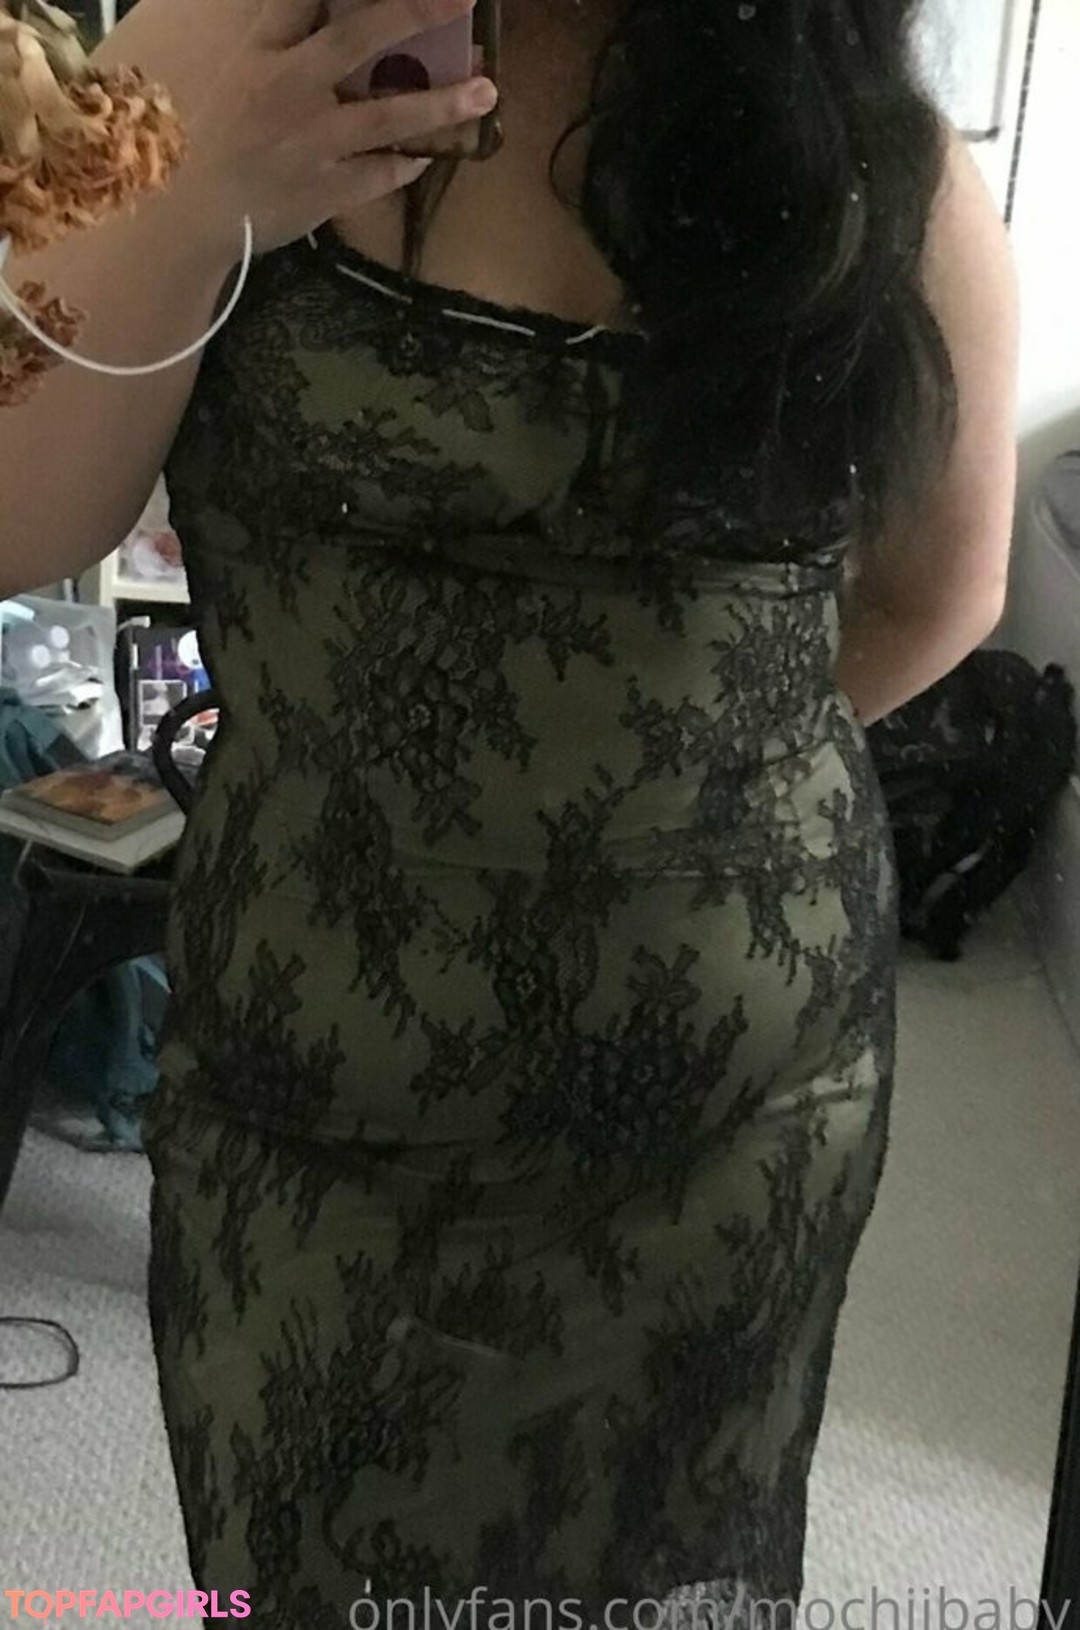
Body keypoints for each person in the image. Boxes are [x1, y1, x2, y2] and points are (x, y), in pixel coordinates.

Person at [0, 0, 1018, 1622]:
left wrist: (650, 789)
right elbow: (24, 515)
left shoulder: (856, 127)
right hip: (316, 1081)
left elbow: (944, 589)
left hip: (733, 1106)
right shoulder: (206, 50)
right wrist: (192, 202)